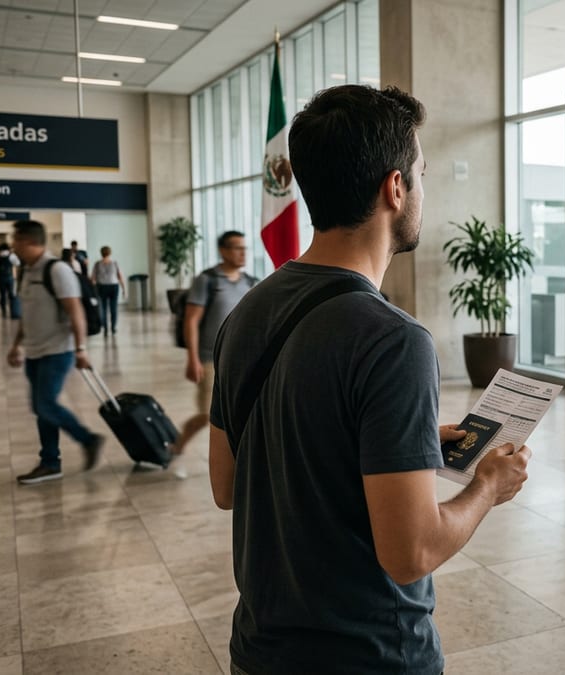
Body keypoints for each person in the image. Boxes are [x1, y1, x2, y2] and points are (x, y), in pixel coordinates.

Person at [209, 85, 531, 675]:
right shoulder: (394, 340)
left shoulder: (247, 312)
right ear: (395, 187)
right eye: (422, 174)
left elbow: (228, 484)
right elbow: (411, 552)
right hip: (369, 657)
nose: (423, 191)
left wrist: (411, 439)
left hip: (260, 652)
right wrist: (487, 486)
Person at [7, 220, 105, 485]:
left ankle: (87, 439)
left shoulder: (57, 270)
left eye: (16, 240)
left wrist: (81, 349)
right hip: (34, 352)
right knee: (43, 409)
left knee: (44, 404)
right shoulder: (27, 272)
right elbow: (27, 315)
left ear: (29, 241)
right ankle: (50, 462)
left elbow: (76, 311)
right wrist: (17, 344)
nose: (12, 244)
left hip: (57, 351)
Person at [173, 231, 258, 457]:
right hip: (210, 358)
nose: (242, 253)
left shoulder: (250, 282)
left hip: (241, 360)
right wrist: (193, 359)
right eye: (236, 248)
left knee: (241, 412)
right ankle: (177, 444)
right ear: (223, 251)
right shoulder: (207, 280)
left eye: (244, 248)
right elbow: (191, 320)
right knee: (208, 413)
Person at [91, 246, 125, 336]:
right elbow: (119, 276)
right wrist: (124, 288)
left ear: (101, 253)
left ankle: (105, 328)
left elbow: (93, 278)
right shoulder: (115, 263)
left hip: (101, 287)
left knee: (103, 308)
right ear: (110, 253)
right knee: (113, 308)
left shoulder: (97, 264)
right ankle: (113, 327)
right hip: (113, 286)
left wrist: (93, 289)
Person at [0, 243, 19, 318]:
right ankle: (13, 310)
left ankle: (4, 311)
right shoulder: (12, 256)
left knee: (2, 295)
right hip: (10, 277)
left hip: (1, 278)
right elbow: (18, 263)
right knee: (11, 294)